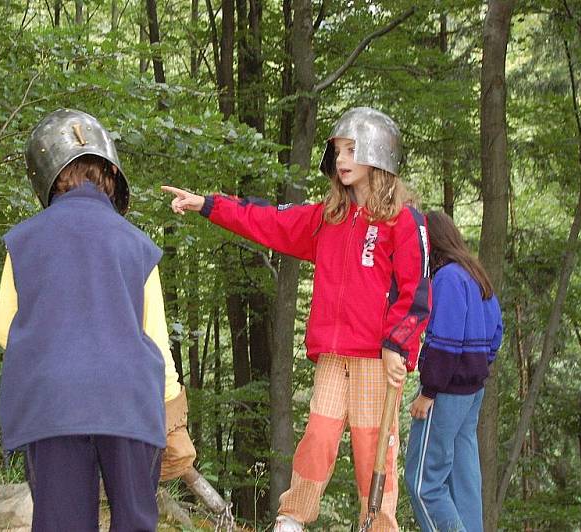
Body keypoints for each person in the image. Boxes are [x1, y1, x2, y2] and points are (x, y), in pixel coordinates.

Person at [162, 107, 431, 531]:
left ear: (379, 155)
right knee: (318, 439)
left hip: (376, 360)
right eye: (338, 151)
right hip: (332, 355)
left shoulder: (403, 220)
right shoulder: (328, 217)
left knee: (372, 447)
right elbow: (267, 219)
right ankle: (292, 518)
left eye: (351, 150)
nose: (341, 160)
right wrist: (208, 205)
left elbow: (416, 292)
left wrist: (400, 344)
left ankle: (377, 524)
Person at [0, 108, 195, 532]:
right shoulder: (137, 245)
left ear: (45, 178)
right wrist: (173, 413)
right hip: (127, 401)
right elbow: (155, 340)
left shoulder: (23, 241)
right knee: (135, 521)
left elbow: (4, 331)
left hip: (53, 403)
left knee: (61, 524)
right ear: (111, 177)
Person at [404, 210, 503, 532]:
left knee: (423, 482)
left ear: (429, 242)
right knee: (464, 481)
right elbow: (497, 334)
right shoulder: (476, 275)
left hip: (446, 393)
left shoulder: (447, 278)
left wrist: (429, 391)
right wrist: (477, 367)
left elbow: (445, 343)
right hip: (472, 392)